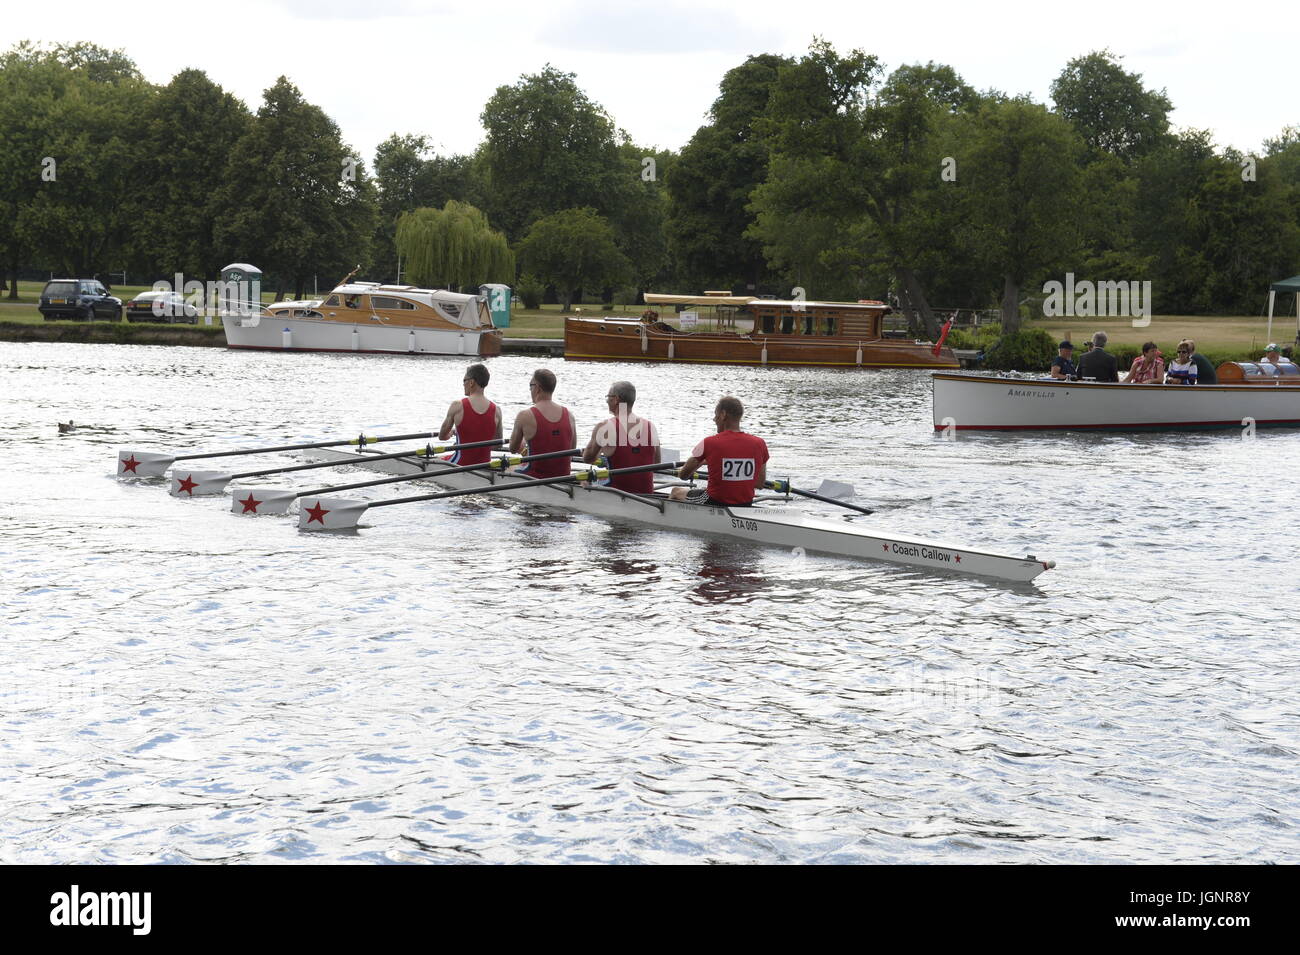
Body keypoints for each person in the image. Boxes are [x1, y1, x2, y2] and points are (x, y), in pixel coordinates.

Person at [670, 396, 768, 507]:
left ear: (723, 414)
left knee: (675, 491)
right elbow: (759, 484)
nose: (714, 419)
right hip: (745, 503)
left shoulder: (708, 442)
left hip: (714, 501)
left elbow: (683, 475)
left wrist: (702, 462)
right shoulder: (760, 444)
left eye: (715, 414)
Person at [582, 380, 660, 493]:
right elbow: (656, 464)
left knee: (584, 481)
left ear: (616, 399)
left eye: (608, 397)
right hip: (646, 494)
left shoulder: (605, 427)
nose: (607, 401)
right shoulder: (651, 426)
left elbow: (587, 459)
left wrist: (598, 455)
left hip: (617, 494)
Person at [509, 368, 575, 479]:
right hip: (563, 477)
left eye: (530, 385)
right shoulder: (570, 415)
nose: (530, 389)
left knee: (508, 468)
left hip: (535, 477)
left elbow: (513, 449)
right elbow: (572, 450)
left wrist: (524, 445)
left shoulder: (524, 416)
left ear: (537, 388)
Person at [438, 363, 501, 465]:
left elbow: (442, 436)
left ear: (471, 382)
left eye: (464, 381)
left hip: (460, 464)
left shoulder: (457, 405)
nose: (463, 384)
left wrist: (451, 434)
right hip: (485, 464)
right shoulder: (497, 411)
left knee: (433, 460)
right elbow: (497, 444)